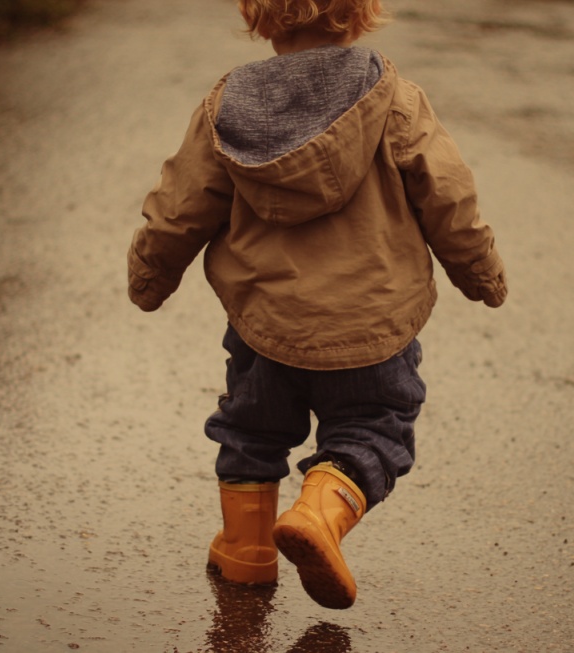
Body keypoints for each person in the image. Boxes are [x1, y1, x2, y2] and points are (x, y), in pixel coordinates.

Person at [127, 0, 506, 610]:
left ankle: (246, 551)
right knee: (372, 427)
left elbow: (181, 205)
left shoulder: (227, 109)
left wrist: (151, 275)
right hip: (371, 325)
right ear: (360, 13)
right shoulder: (395, 99)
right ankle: (320, 512)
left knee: (251, 430)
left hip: (266, 326)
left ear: (260, 15)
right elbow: (448, 197)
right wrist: (480, 270)